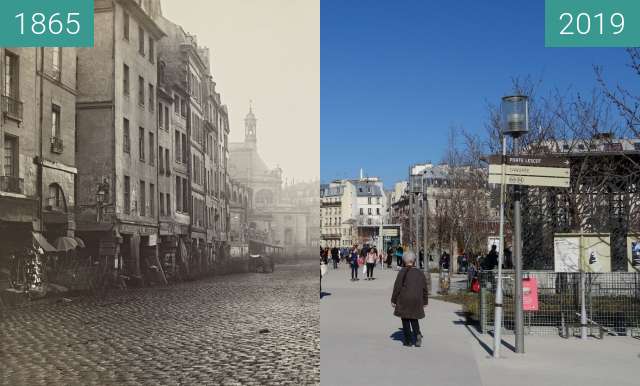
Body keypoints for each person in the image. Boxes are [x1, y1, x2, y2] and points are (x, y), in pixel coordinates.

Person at [391, 250, 429, 347]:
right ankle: (417, 335)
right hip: (417, 299)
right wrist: (425, 301)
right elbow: (424, 287)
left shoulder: (402, 271)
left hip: (405, 298)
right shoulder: (420, 273)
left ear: (404, 260)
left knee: (405, 319)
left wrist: (393, 300)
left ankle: (408, 341)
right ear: (414, 261)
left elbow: (397, 287)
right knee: (414, 318)